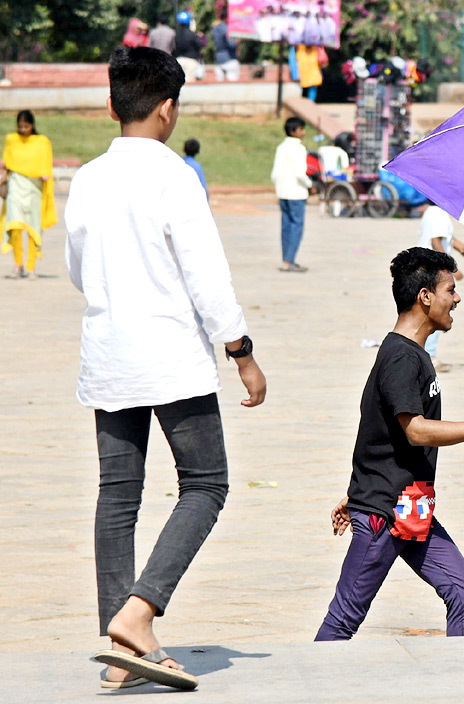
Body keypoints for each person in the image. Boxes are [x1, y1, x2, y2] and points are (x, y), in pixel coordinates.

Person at [66, 46, 266, 691]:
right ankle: (140, 612)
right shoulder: (174, 176)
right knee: (207, 485)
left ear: (112, 105)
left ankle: (121, 644)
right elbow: (205, 276)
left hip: (108, 351)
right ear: (168, 108)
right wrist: (240, 350)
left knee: (117, 495)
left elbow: (78, 269)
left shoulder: (89, 176)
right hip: (171, 353)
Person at [316, 248, 464, 640]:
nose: (458, 298)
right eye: (451, 289)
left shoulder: (410, 354)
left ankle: (460, 685)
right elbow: (414, 430)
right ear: (425, 297)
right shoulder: (401, 357)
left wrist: (357, 492)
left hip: (410, 507)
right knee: (345, 617)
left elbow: (376, 429)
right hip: (385, 514)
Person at [418, 202, 464, 372]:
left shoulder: (430, 212)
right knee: (436, 312)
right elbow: (436, 241)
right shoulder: (439, 213)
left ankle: (426, 353)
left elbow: (450, 240)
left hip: (426, 269)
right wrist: (450, 269)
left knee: (427, 311)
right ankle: (429, 354)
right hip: (434, 272)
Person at [1, 110, 56, 279]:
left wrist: (44, 174)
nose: (23, 129)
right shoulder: (12, 140)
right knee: (15, 226)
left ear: (33, 125)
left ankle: (31, 267)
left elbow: (46, 166)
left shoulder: (41, 142)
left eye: (26, 126)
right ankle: (18, 265)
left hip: (34, 189)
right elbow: (7, 163)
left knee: (33, 228)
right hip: (16, 186)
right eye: (20, 126)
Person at [271, 116, 312, 272]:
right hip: (296, 193)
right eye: (301, 129)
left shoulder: (281, 147)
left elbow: (274, 173)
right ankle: (289, 261)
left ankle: (286, 260)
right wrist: (310, 185)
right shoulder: (299, 148)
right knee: (296, 227)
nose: (304, 132)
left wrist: (279, 187)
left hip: (283, 192)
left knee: (286, 226)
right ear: (294, 131)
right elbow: (300, 174)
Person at [172, 12, 205, 82]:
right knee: (189, 85)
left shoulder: (176, 35)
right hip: (191, 61)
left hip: (178, 60)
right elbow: (201, 45)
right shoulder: (192, 35)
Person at [211, 13, 240, 82]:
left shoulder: (215, 28)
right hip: (229, 59)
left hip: (218, 58)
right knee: (233, 84)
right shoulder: (227, 28)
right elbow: (231, 44)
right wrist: (237, 41)